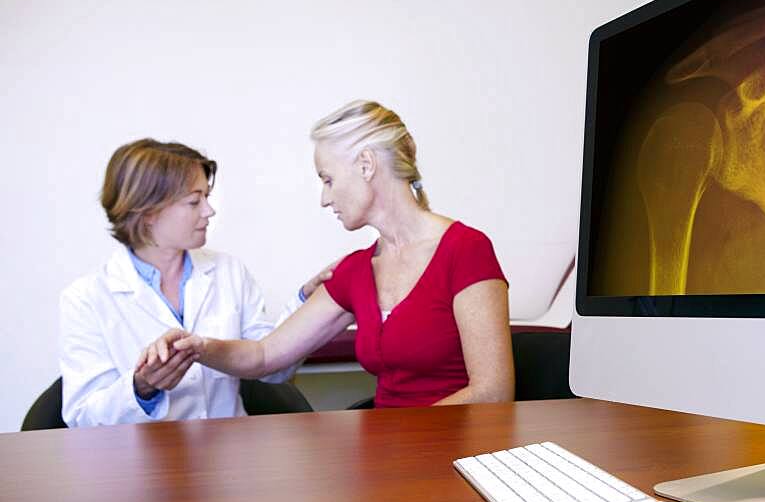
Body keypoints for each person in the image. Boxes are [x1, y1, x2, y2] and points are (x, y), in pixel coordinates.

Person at [161, 100, 514, 407]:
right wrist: (199, 347)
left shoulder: (465, 250)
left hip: (456, 453)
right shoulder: (355, 271)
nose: (325, 198)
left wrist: (398, 435)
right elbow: (264, 355)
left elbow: (493, 392)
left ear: (366, 164)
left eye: (328, 179)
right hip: (389, 458)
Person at [59, 139, 332, 426]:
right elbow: (83, 418)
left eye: (207, 197)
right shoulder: (86, 299)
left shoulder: (228, 272)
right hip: (142, 465)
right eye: (194, 201)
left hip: (229, 456)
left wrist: (305, 303)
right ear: (148, 212)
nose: (208, 211)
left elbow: (270, 366)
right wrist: (142, 388)